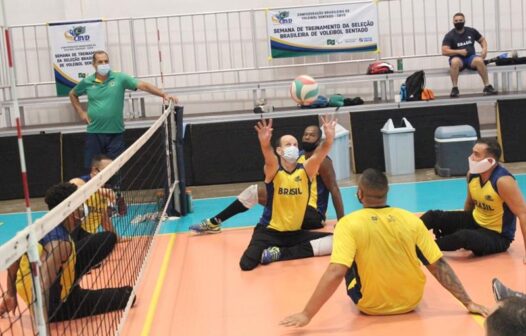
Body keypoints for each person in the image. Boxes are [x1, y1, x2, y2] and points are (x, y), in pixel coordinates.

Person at [281, 168, 488, 328]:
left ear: (360, 194)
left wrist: (306, 314)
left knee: (346, 254)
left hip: (370, 306)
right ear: (386, 193)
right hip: (412, 301)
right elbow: (438, 265)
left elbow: (336, 271)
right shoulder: (411, 220)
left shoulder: (348, 223)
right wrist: (468, 302)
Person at [0, 182, 133, 322]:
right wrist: (43, 329)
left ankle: (69, 277)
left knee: (108, 238)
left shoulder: (40, 225)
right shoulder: (60, 245)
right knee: (127, 295)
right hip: (55, 306)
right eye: (79, 203)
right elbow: (42, 286)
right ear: (71, 208)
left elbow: (14, 257)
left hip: (51, 278)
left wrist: (11, 294)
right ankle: (69, 293)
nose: (83, 205)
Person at [189, 125, 345, 233]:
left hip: (313, 215)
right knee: (255, 192)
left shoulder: (322, 161)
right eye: (305, 134)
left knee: (272, 203)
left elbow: (334, 189)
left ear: (319, 140)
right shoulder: (298, 157)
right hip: (295, 205)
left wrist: (342, 222)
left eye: (312, 135)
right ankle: (215, 222)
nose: (307, 137)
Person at [237, 116, 336, 271]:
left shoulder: (306, 170)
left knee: (336, 242)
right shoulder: (274, 171)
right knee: (246, 264)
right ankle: (274, 249)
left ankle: (280, 254)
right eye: (288, 144)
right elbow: (269, 159)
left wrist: (329, 139)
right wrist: (264, 144)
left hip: (294, 233)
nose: (293, 147)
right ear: (279, 150)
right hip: (268, 231)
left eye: (295, 144)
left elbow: (319, 155)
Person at [69, 50, 179, 172]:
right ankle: (95, 192)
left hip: (116, 132)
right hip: (94, 132)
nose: (104, 64)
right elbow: (73, 94)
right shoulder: (87, 82)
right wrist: (81, 112)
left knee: (115, 168)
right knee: (91, 168)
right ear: (93, 64)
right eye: (100, 62)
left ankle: (115, 191)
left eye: (106, 61)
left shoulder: (120, 78)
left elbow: (143, 85)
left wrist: (163, 94)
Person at [420, 139, 526, 262]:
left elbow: (523, 214)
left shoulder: (503, 181)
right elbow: (470, 203)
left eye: (476, 154)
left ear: (490, 161)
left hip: (497, 236)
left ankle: (423, 248)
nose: (471, 157)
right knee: (434, 216)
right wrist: (459, 225)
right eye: (472, 153)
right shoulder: (472, 175)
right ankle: (404, 238)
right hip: (476, 221)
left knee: (463, 237)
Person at [442, 12, 497, 98]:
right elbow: (444, 51)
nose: (458, 22)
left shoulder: (471, 31)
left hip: (470, 58)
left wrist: (484, 49)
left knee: (479, 60)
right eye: (456, 21)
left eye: (460, 20)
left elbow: (482, 40)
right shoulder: (449, 35)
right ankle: (455, 88)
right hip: (458, 59)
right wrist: (459, 52)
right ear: (453, 22)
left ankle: (487, 86)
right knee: (454, 61)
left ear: (464, 21)